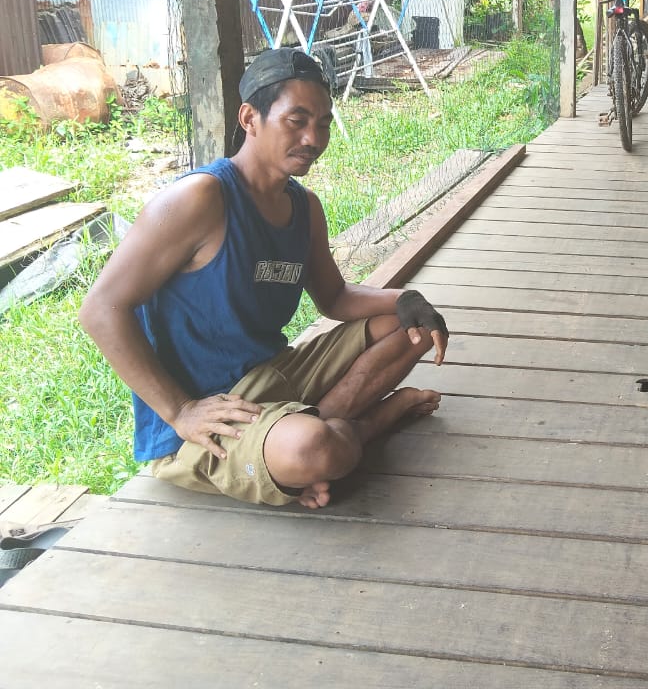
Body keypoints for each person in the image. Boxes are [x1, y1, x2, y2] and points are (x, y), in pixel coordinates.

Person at [80, 48, 449, 510]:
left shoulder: (303, 206)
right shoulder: (200, 198)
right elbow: (100, 309)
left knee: (413, 329)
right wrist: (179, 411)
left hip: (274, 376)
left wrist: (405, 298)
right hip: (209, 420)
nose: (313, 137)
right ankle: (360, 428)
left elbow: (333, 297)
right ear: (250, 118)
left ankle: (309, 437)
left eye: (324, 122)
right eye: (296, 120)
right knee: (310, 449)